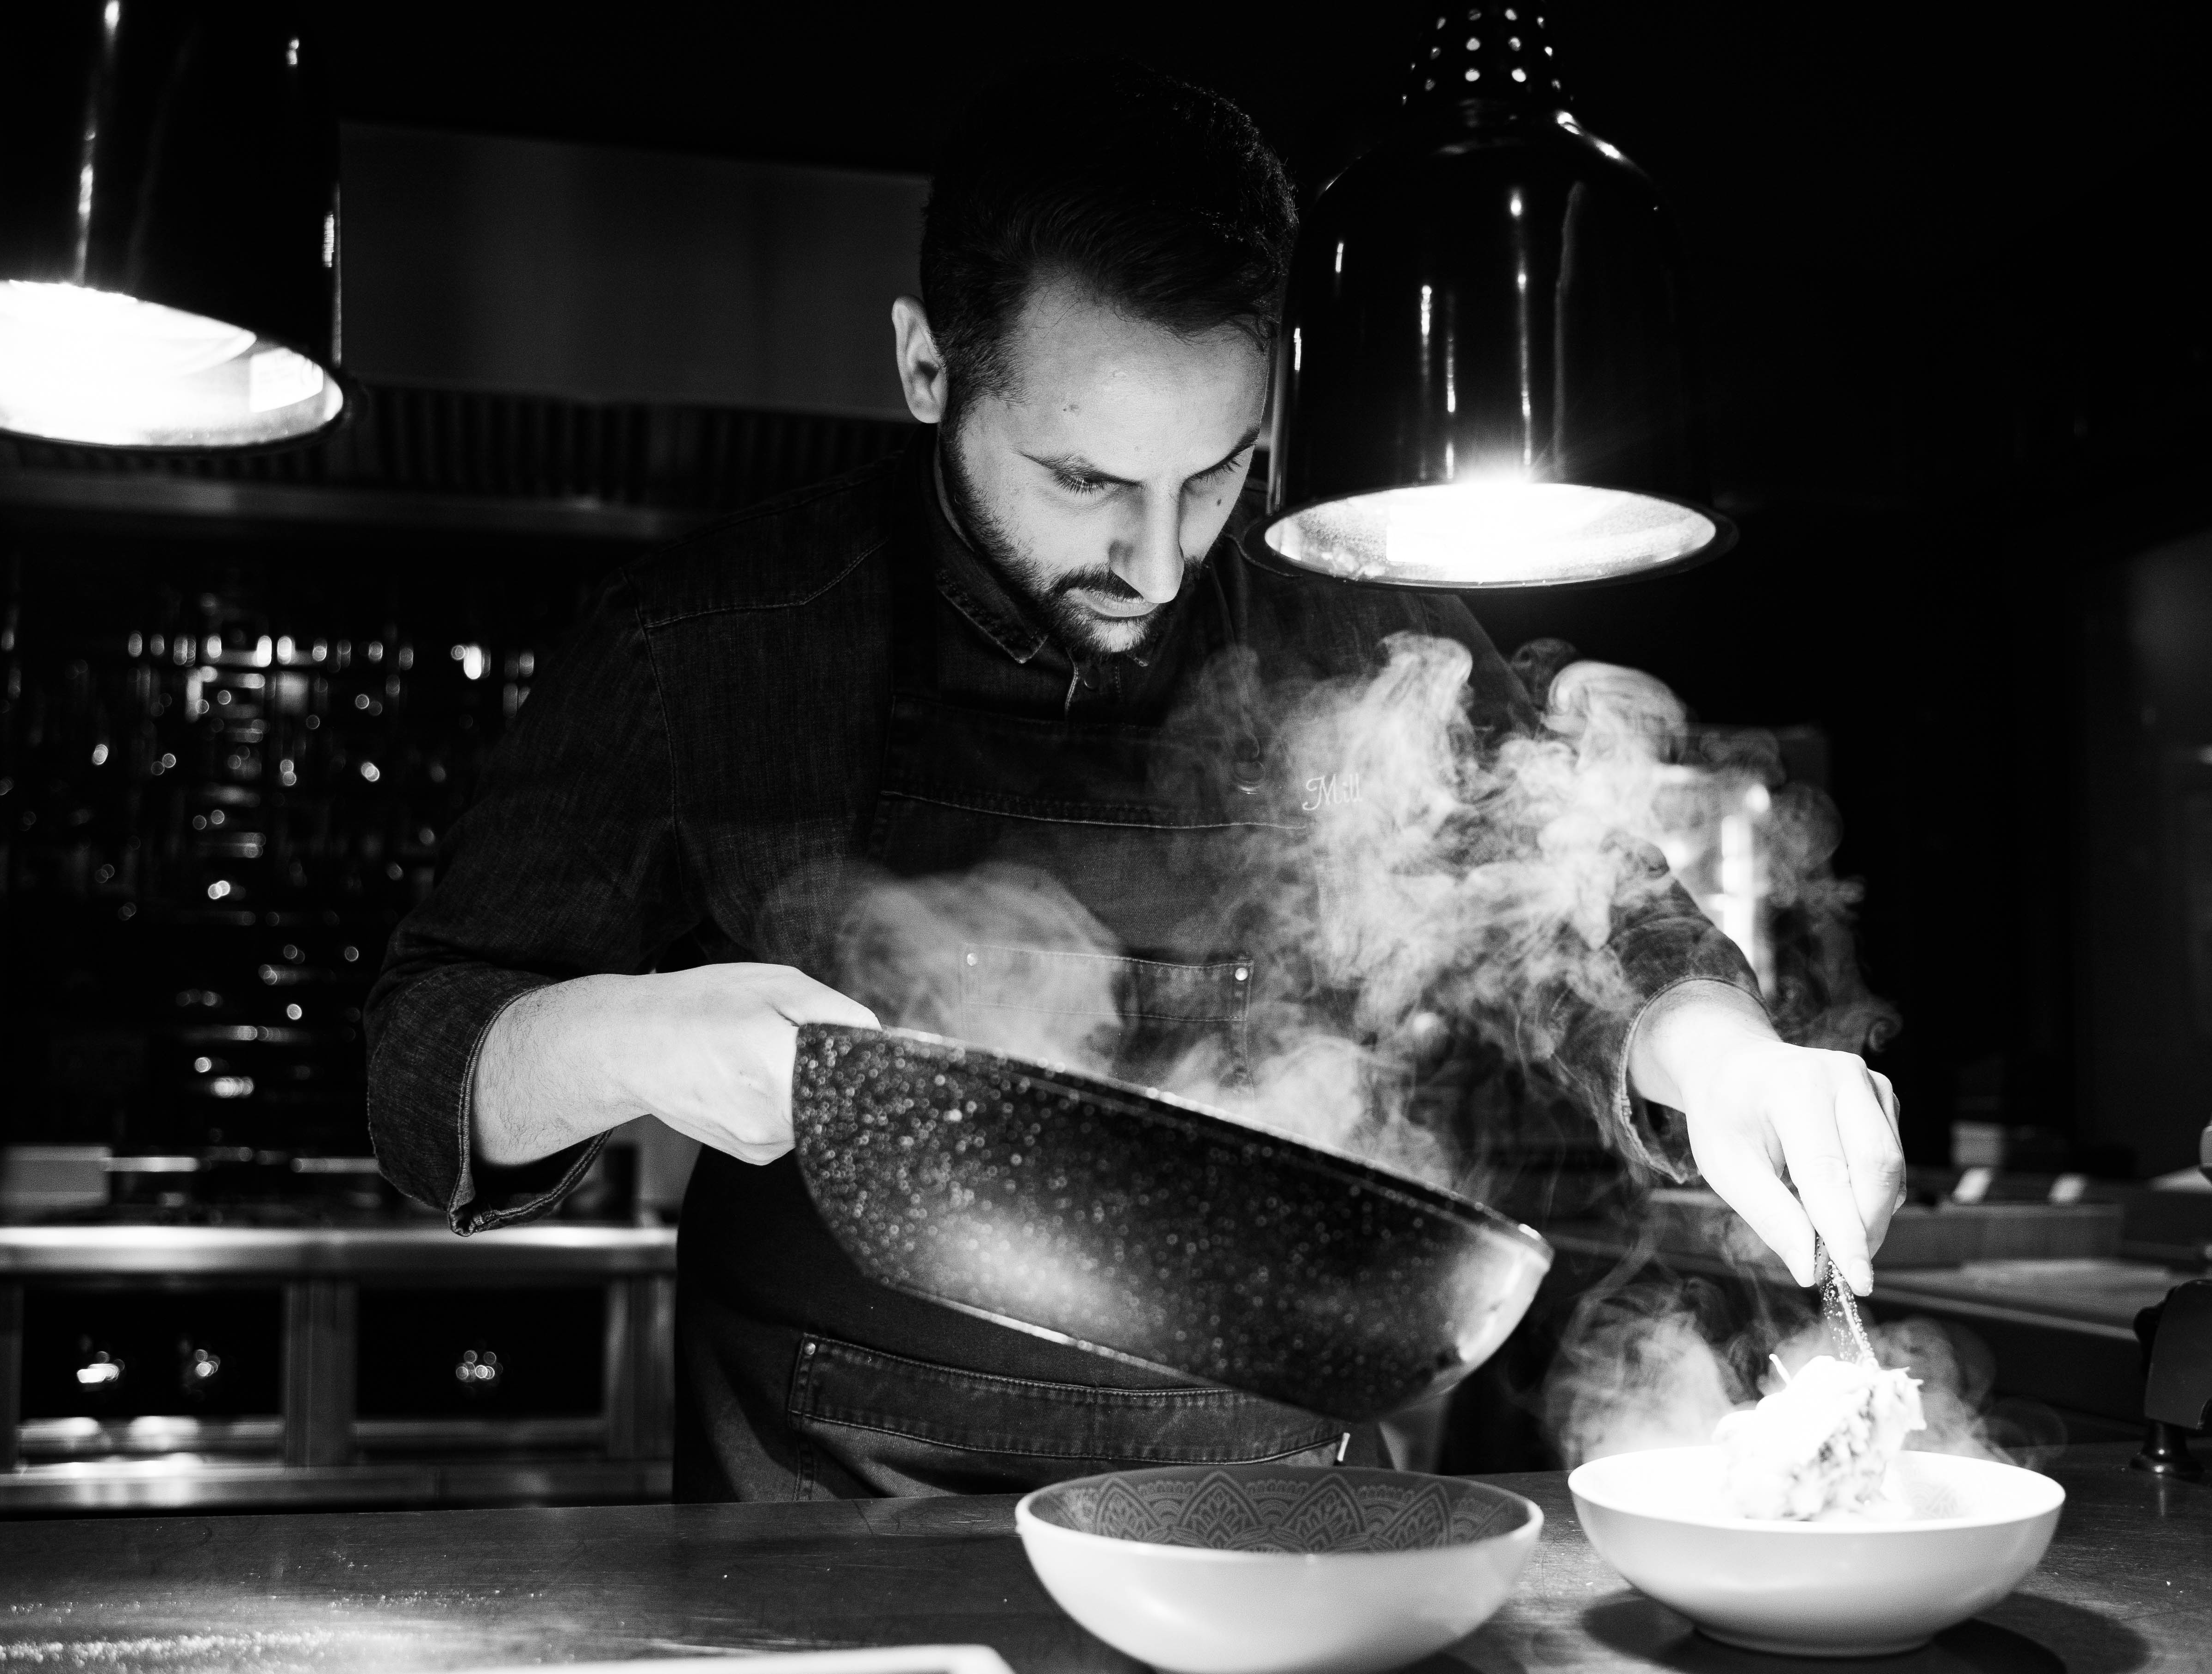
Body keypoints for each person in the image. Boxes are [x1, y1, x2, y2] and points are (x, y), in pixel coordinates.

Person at [367, 59, 1904, 1500]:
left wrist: (1728, 1058)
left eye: (1218, 469)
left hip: (1272, 1520)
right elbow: (422, 1057)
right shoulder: (707, 644)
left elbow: (1587, 913)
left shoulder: (1352, 616)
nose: (1158, 562)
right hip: (831, 1527)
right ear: (925, 367)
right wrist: (633, 1038)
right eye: (1085, 479)